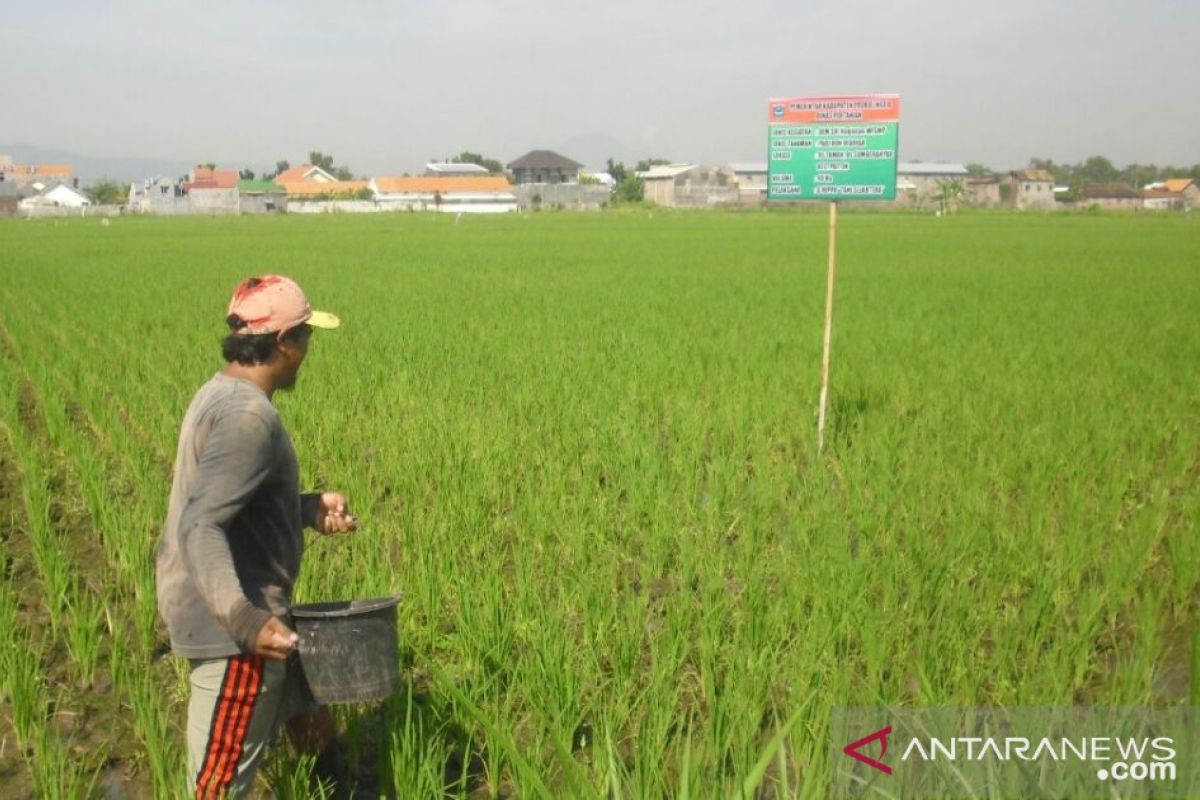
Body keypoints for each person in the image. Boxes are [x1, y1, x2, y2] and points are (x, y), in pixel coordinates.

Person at [156, 275, 358, 798]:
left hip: (254, 614)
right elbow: (201, 523)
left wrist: (305, 508)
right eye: (306, 337)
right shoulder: (249, 416)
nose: (309, 350)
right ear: (285, 342)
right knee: (218, 786)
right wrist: (245, 622)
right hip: (237, 633)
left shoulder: (218, 392)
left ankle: (340, 787)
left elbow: (232, 500)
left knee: (308, 719)